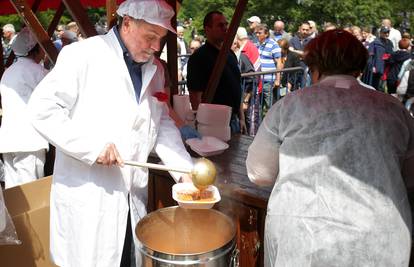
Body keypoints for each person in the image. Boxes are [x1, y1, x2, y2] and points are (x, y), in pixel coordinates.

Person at [27, 1, 194, 266]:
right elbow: (41, 110)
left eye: (160, 40)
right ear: (127, 23)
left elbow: (160, 123)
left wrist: (185, 171)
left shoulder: (155, 70)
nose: (155, 47)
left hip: (132, 200)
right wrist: (92, 148)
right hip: (89, 200)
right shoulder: (83, 55)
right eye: (150, 37)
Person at [246, 29, 414, 266]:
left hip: (302, 238)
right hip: (379, 238)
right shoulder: (394, 109)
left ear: (314, 68)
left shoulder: (289, 106)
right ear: (359, 68)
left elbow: (259, 173)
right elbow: (410, 177)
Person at [0, 27, 48, 189]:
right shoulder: (38, 72)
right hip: (29, 140)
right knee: (31, 190)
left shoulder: (8, 73)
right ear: (34, 49)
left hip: (8, 139)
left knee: (13, 192)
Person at [187, 11, 246, 134]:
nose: (225, 28)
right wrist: (203, 126)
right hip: (213, 124)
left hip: (233, 121)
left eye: (226, 24)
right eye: (220, 25)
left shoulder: (230, 54)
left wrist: (241, 117)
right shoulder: (199, 58)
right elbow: (195, 96)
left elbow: (237, 87)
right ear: (208, 29)